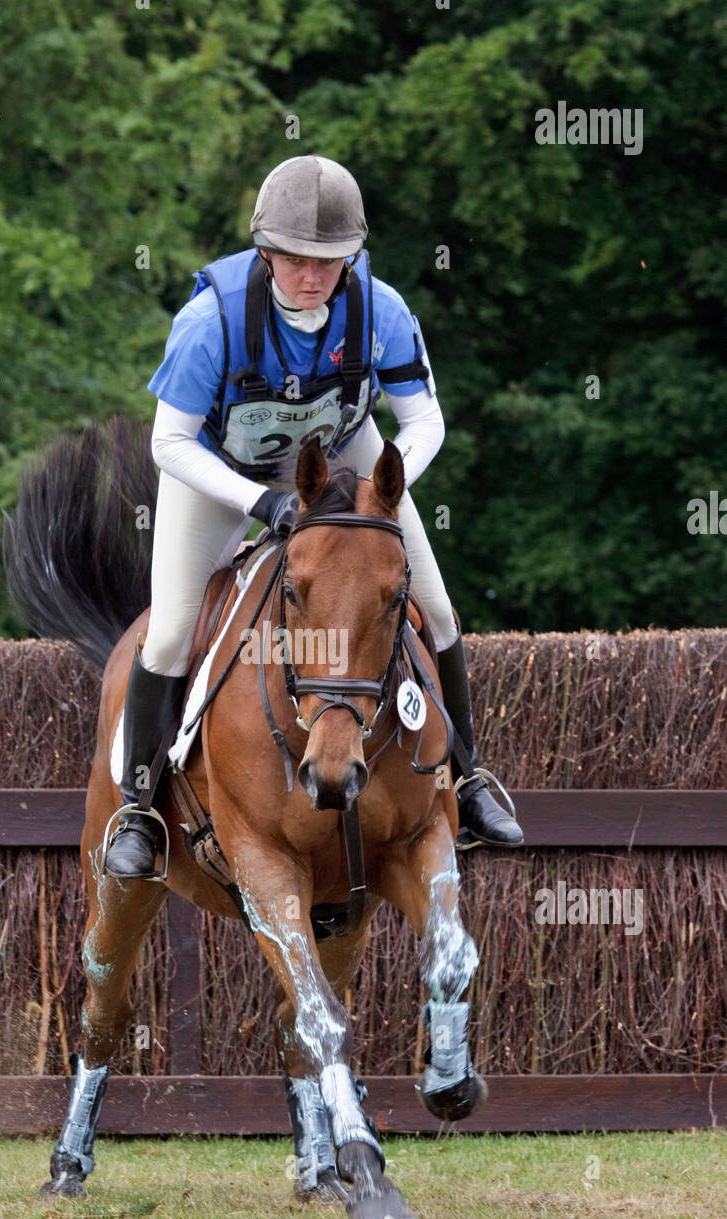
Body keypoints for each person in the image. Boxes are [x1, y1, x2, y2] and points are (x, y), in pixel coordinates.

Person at [104, 155, 522, 878]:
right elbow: (167, 440)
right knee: (171, 631)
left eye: (330, 262)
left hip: (344, 463)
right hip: (221, 471)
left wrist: (379, 497)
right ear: (265, 252)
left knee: (442, 613)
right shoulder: (212, 322)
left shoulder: (379, 309)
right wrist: (263, 503)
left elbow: (425, 421)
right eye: (297, 260)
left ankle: (473, 776)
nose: (313, 276)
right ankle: (138, 810)